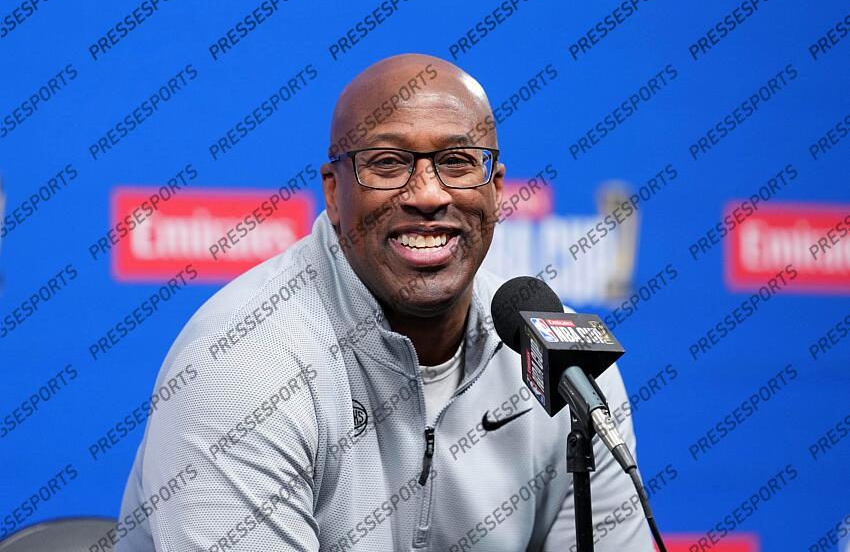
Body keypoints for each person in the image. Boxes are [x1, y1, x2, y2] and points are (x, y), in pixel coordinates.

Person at [113, 53, 653, 551]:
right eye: (389, 163)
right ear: (334, 193)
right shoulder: (240, 366)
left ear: (496, 190)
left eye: (458, 162)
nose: (428, 194)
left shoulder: (567, 369)